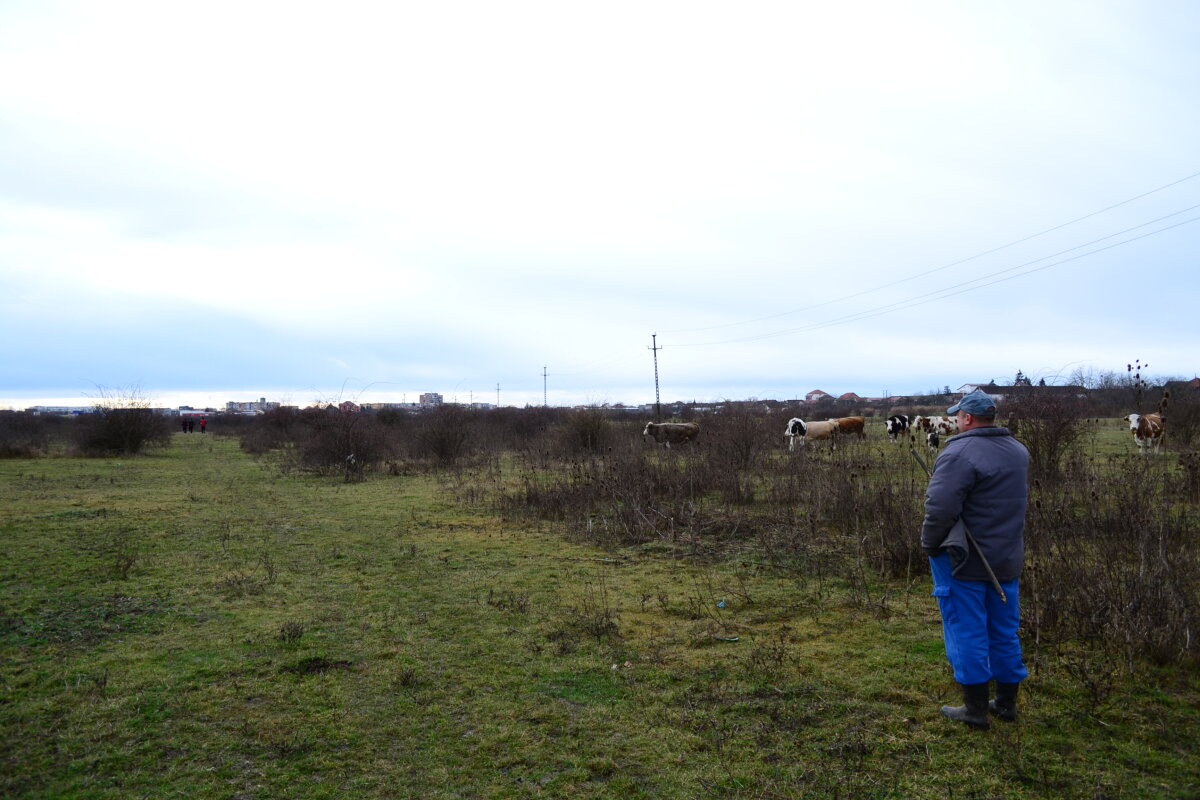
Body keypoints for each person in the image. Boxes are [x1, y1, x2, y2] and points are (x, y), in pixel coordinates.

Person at [920, 388, 1029, 730]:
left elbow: (939, 509)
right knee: (1004, 629)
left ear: (967, 418)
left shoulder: (959, 453)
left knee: (965, 629)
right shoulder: (1018, 450)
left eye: (957, 416)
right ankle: (1007, 704)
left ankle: (975, 709)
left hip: (962, 558)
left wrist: (929, 545)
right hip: (1007, 559)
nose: (955, 421)